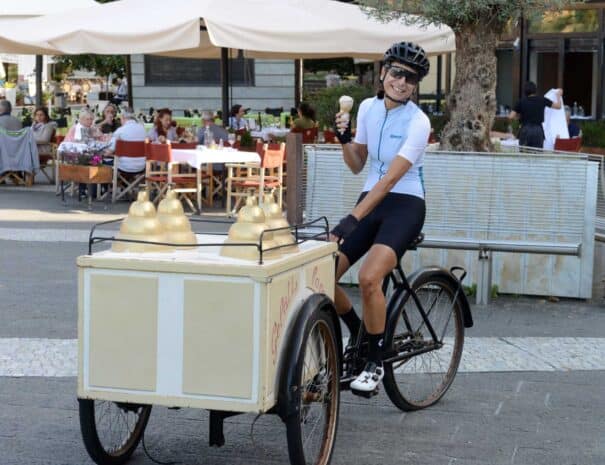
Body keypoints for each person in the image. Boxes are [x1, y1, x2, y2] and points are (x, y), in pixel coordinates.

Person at [331, 42, 430, 394]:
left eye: (411, 78)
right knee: (323, 274)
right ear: (384, 72)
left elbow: (390, 180)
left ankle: (375, 360)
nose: (402, 82)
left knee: (371, 277)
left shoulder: (419, 122)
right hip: (370, 200)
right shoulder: (368, 108)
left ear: (416, 85)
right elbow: (359, 164)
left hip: (404, 205)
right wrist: (344, 139)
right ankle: (359, 331)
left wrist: (351, 219)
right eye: (397, 73)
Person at [508, 81, 562, 148]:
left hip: (525, 129)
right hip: (538, 130)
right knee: (537, 155)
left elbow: (510, 117)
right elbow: (558, 106)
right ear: (535, 90)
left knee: (524, 153)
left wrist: (519, 117)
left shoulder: (521, 101)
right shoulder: (542, 100)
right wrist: (558, 95)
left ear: (525, 91)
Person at [108, 107, 147, 173]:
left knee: (101, 161)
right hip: (141, 167)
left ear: (122, 117)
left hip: (124, 167)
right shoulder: (143, 129)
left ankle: (114, 183)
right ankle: (129, 182)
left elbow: (109, 151)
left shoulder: (120, 130)